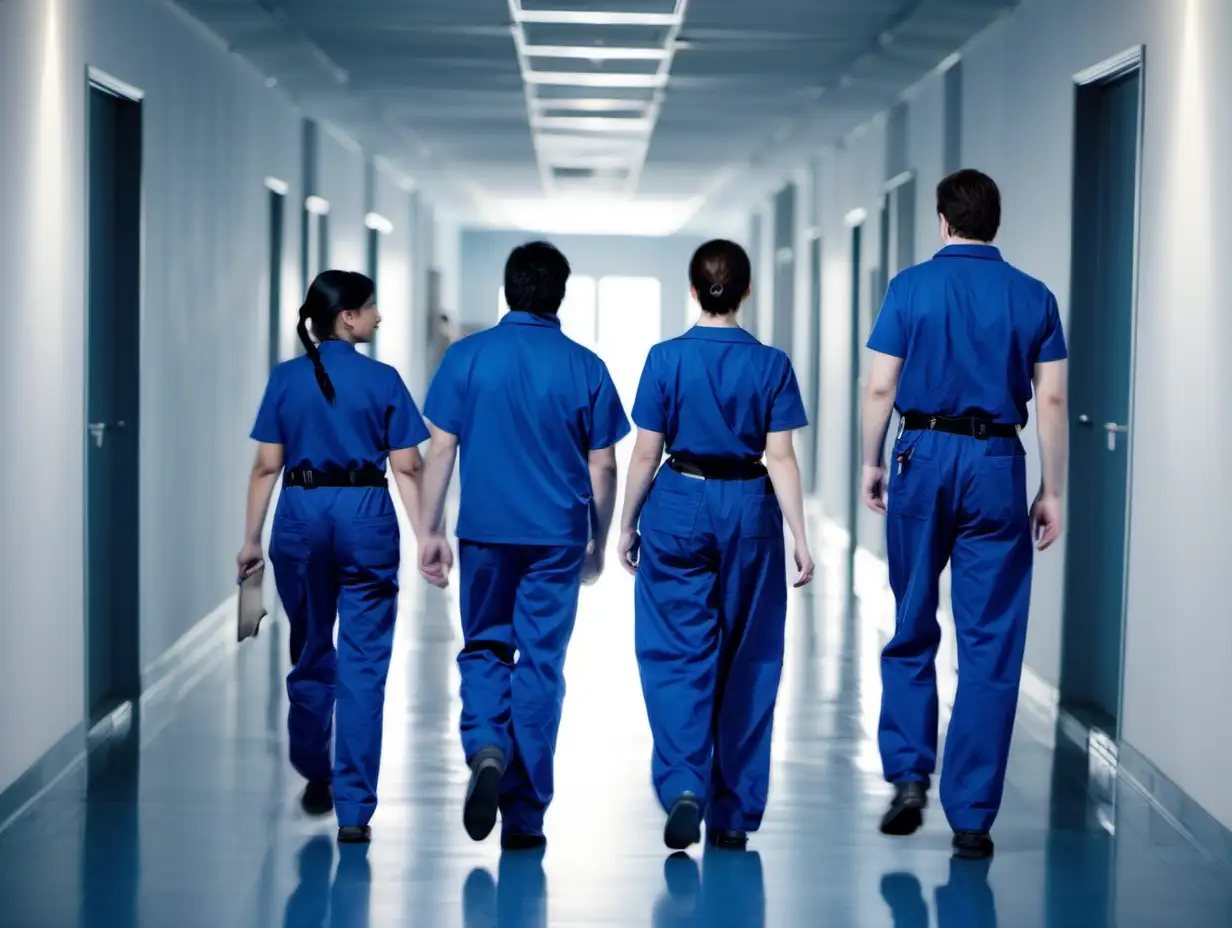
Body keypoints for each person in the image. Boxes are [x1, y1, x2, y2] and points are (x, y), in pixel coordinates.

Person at [860, 169, 1068, 860]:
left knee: (914, 618)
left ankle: (910, 776)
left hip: (921, 452)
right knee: (990, 642)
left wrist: (871, 459)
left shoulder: (910, 288)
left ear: (943, 221)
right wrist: (1052, 489)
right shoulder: (1034, 297)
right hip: (997, 465)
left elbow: (881, 384)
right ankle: (973, 817)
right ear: (994, 222)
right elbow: (1054, 402)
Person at [416, 241, 630, 850]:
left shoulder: (466, 358)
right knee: (541, 664)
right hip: (556, 537)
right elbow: (605, 467)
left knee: (485, 645)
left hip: (484, 530)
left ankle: (486, 741)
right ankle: (525, 816)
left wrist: (430, 529)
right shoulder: (585, 366)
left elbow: (441, 450)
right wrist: (598, 537)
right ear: (559, 296)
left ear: (508, 292)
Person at [617, 239, 815, 851]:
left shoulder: (664, 358)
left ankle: (683, 782)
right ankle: (732, 813)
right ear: (747, 291)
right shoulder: (771, 364)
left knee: (676, 650)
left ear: (693, 289)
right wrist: (800, 537)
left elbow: (645, 450)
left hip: (679, 498)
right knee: (750, 658)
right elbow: (781, 455)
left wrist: (626, 523)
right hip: (750, 505)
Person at [236, 270, 430, 845]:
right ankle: (353, 809)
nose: (378, 317)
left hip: (300, 514)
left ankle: (313, 765)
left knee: (313, 643)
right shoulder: (383, 379)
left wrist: (250, 539)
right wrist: (429, 538)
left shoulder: (286, 379)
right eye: (372, 308)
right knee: (365, 661)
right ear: (347, 316)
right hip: (365, 512)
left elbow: (267, 465)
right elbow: (409, 467)